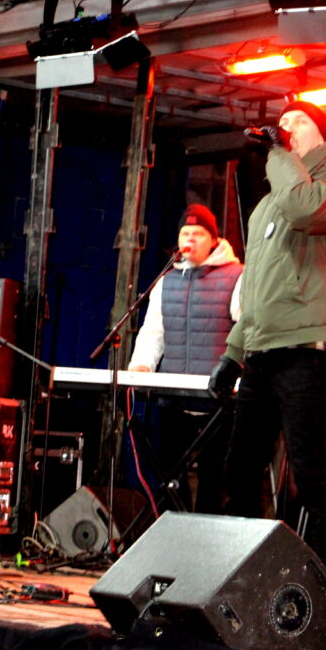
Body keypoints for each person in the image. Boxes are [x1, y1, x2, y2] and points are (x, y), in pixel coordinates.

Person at [208, 101, 326, 588]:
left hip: (309, 346)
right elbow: (257, 286)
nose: (285, 126)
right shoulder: (268, 204)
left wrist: (279, 153)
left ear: (322, 134)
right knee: (240, 470)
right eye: (281, 122)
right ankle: (246, 580)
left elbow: (305, 208)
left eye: (298, 120)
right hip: (263, 349)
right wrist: (233, 353)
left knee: (309, 469)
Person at [127, 204, 242, 513]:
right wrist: (141, 366)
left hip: (219, 400)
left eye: (198, 233)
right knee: (169, 477)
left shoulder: (236, 276)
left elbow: (246, 330)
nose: (190, 239)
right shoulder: (165, 282)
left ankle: (207, 536)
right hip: (174, 399)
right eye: (185, 233)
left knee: (214, 480)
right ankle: (174, 531)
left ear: (214, 240)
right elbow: (153, 332)